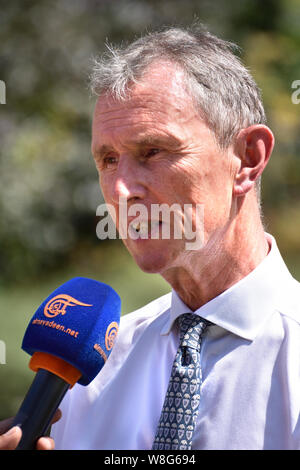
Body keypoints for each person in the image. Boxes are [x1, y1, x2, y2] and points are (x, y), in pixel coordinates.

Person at [2, 24, 300, 450]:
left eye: (153, 152)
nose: (121, 191)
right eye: (107, 160)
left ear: (248, 159)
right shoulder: (91, 367)